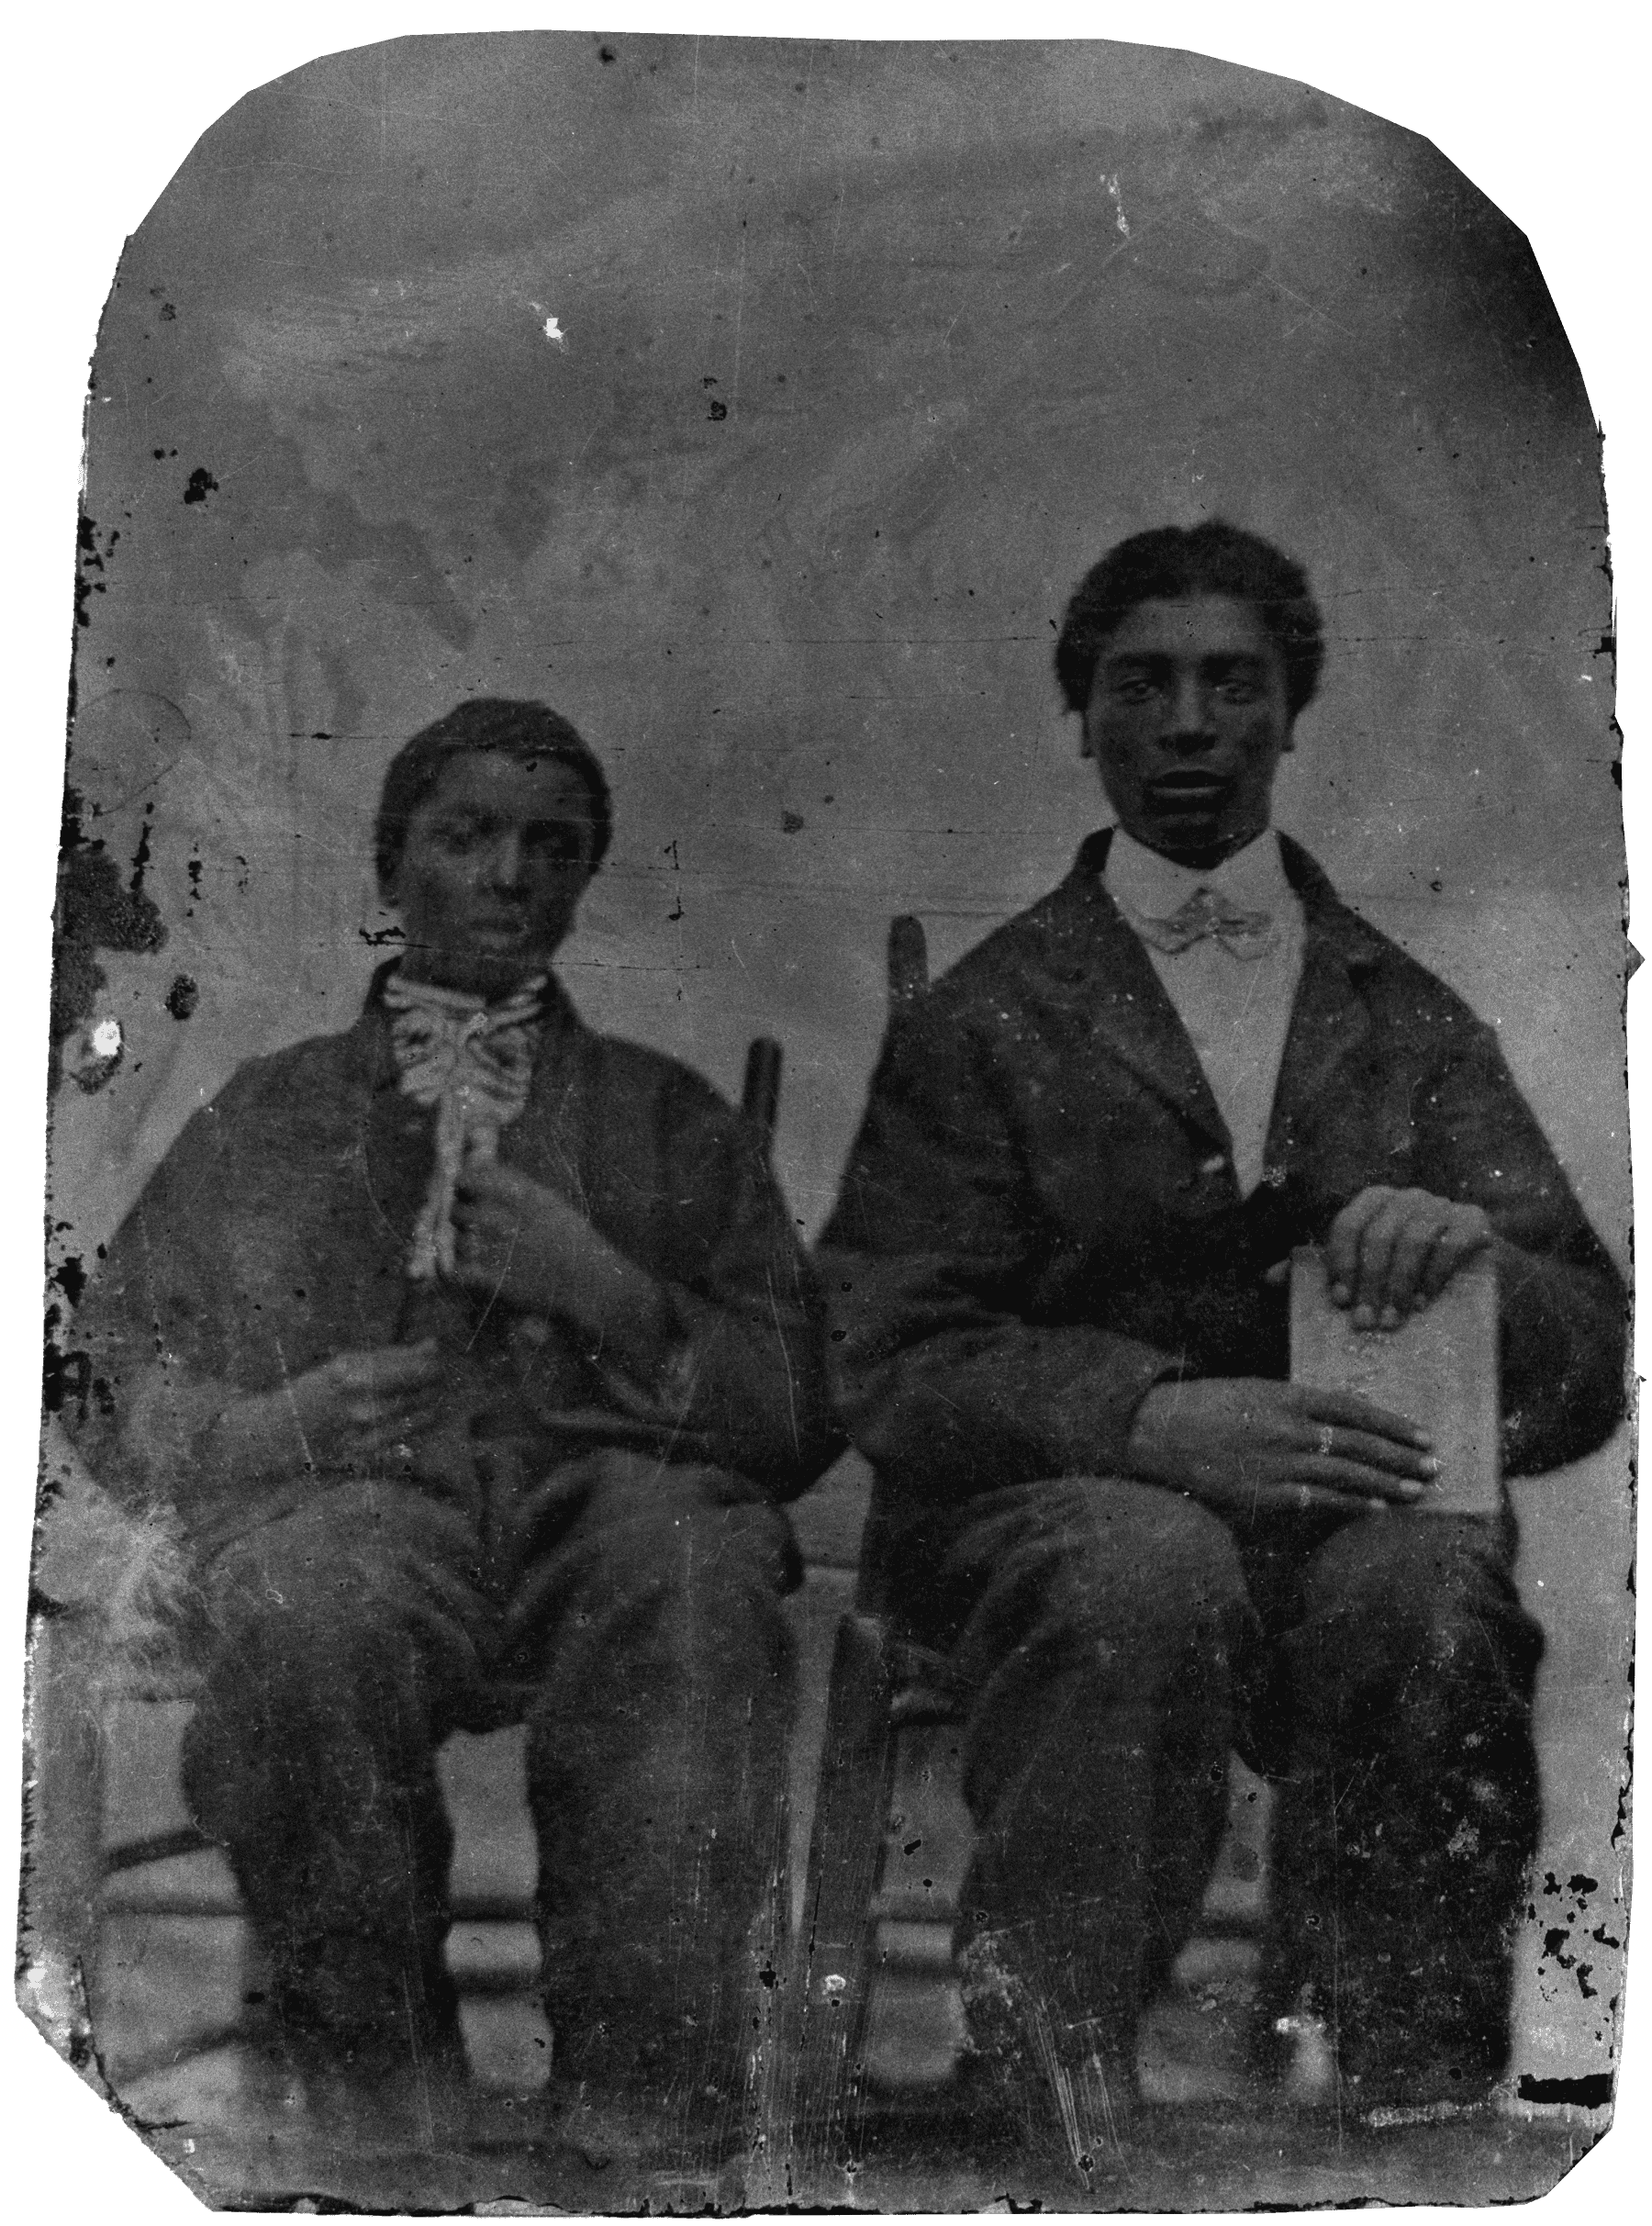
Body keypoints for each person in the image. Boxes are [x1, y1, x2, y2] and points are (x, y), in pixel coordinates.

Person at [818, 523, 1624, 2143]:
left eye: (1230, 683)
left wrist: (1483, 1258)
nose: (1188, 721)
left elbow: (1588, 1358)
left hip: (1332, 1535)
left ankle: (1421, 2112)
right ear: (1087, 717)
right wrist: (1144, 1417)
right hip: (1037, 1528)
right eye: (1143, 684)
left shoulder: (1408, 1017)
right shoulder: (988, 1018)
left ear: (1288, 714)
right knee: (1143, 1568)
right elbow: (885, 1352)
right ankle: (1047, 2087)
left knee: (1429, 1587)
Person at [64, 697, 835, 2155]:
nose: (507, 876)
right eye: (465, 836)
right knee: (307, 1609)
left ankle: (642, 2101)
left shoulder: (667, 1119)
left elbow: (797, 1410)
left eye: (551, 847)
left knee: (692, 1576)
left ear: (585, 878)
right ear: (389, 866)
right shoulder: (275, 1109)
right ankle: (377, 2098)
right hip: (354, 1504)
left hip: (604, 1506)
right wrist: (270, 1420)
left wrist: (609, 1292)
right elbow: (99, 1364)